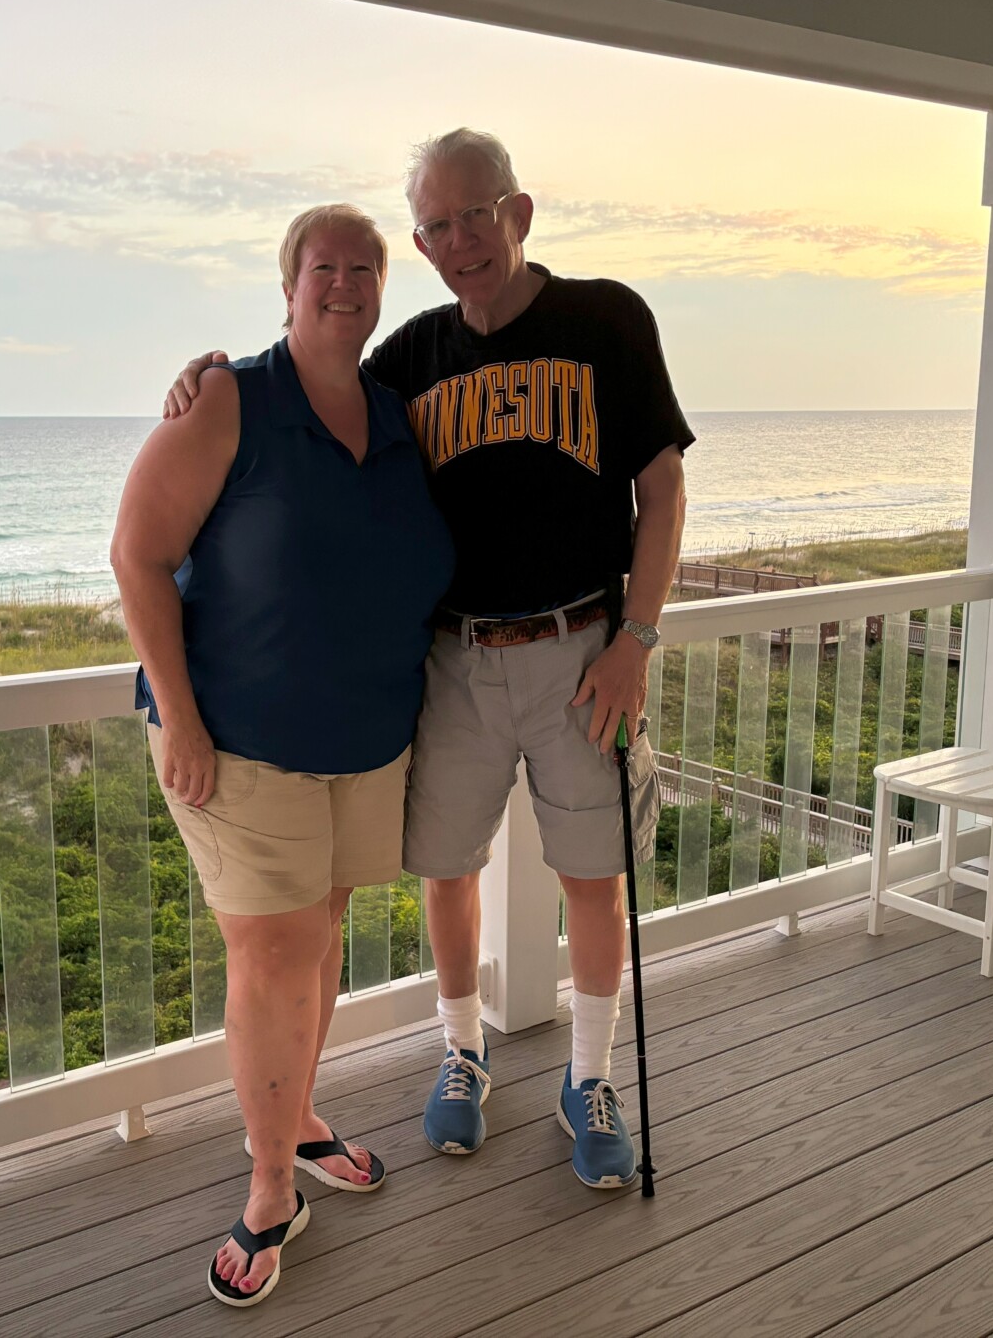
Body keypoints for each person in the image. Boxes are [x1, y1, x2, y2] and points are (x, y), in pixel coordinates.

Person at [165, 129, 690, 1192]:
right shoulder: (412, 355)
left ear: (519, 212)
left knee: (595, 874)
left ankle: (588, 1080)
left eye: (477, 214)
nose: (462, 241)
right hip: (454, 659)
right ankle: (462, 1051)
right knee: (445, 868)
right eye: (438, 226)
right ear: (424, 241)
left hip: (586, 650)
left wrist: (637, 637)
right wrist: (206, 372)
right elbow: (313, 371)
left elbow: (663, 488)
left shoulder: (608, 320)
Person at [112, 202, 454, 1306]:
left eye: (363, 267)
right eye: (323, 267)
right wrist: (183, 719)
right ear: (288, 284)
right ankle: (270, 1189)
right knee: (272, 954)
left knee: (323, 929)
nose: (343, 283)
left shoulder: (400, 415)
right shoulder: (229, 398)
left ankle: (299, 1121)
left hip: (366, 740)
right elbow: (137, 556)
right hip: (240, 743)